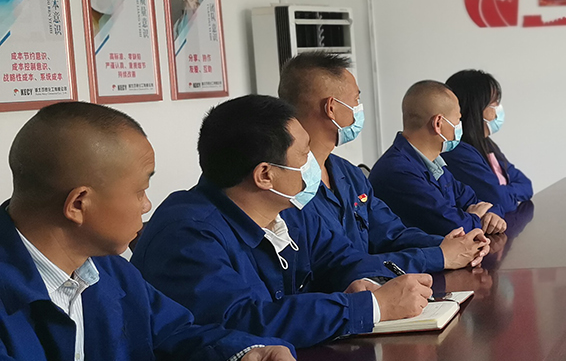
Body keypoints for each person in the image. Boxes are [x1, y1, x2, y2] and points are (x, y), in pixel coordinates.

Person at [0, 103, 296, 361]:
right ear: (79, 204)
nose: (147, 205)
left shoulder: (108, 270)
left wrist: (250, 354)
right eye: (140, 191)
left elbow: (175, 335)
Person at [133, 95, 432, 347]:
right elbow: (245, 323)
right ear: (265, 175)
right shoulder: (187, 235)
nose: (313, 164)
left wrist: (364, 284)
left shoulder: (289, 209)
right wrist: (371, 307)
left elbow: (342, 259)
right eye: (304, 154)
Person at [279, 52, 488, 271]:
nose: (359, 108)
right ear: (331, 108)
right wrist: (439, 256)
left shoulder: (349, 174)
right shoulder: (285, 187)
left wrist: (452, 245)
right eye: (356, 100)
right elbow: (340, 266)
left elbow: (392, 234)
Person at [370, 81, 508, 238]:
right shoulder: (398, 171)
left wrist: (492, 214)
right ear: (438, 123)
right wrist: (476, 217)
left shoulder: (434, 163)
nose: (459, 126)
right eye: (458, 119)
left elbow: (475, 200)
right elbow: (451, 226)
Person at [443, 69, 534, 213]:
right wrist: (506, 193)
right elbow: (500, 201)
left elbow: (526, 185)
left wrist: (504, 192)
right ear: (475, 107)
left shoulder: (487, 144)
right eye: (494, 103)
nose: (498, 108)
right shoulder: (458, 152)